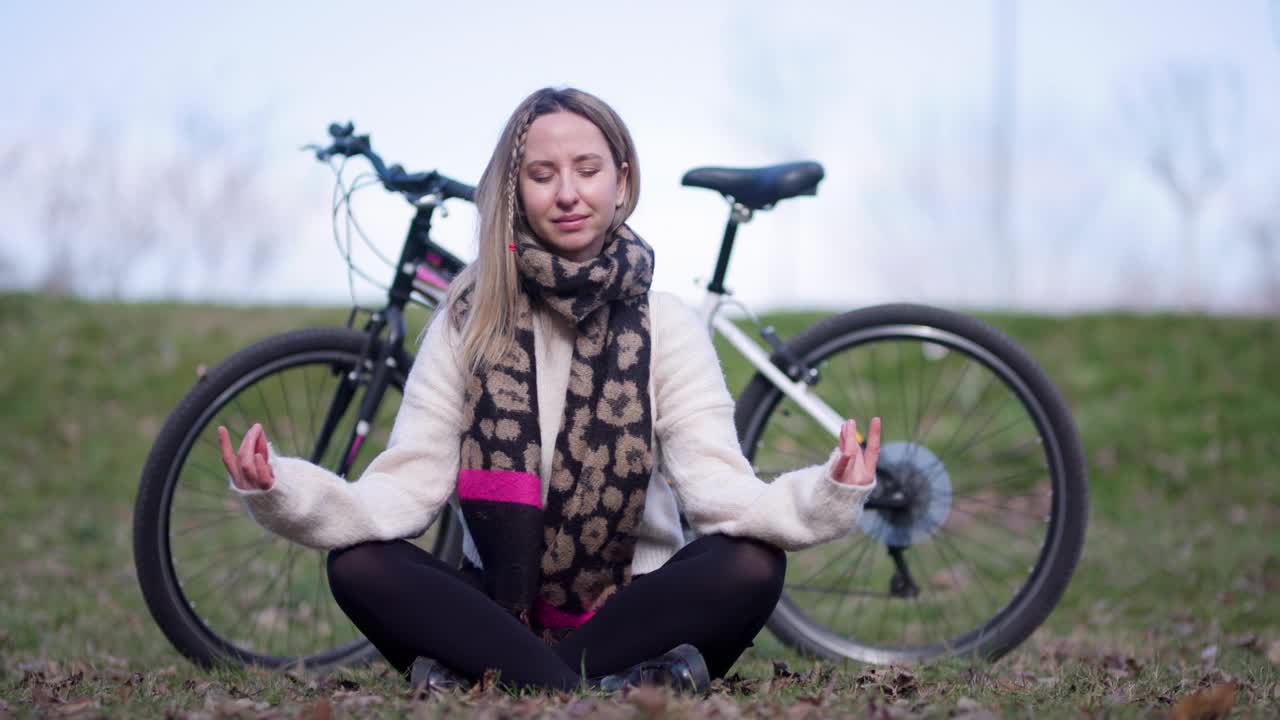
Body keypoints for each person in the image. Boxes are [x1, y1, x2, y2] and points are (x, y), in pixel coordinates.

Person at [219, 87, 881, 694]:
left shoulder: (665, 324)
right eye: (542, 175)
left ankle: (514, 681)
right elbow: (402, 490)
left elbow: (719, 492)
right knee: (357, 567)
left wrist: (828, 491)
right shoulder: (469, 320)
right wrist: (281, 489)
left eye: (587, 170)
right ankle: (605, 687)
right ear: (516, 189)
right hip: (495, 612)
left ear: (621, 181)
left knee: (751, 566)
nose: (567, 193)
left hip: (634, 607)